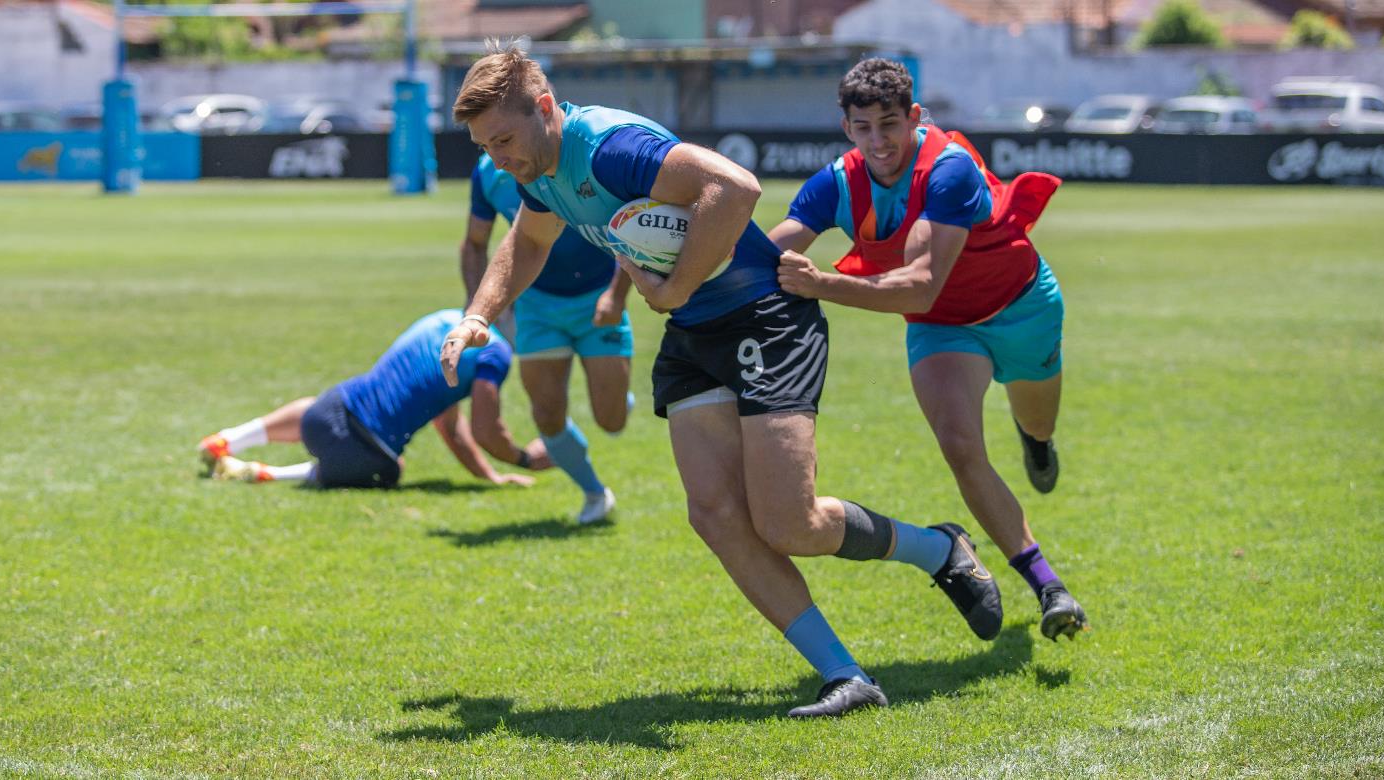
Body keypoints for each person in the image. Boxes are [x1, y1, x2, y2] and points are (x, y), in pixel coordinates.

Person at [438, 41, 1004, 718]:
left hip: (765, 320)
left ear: (545, 108)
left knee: (789, 522)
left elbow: (735, 187)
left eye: (502, 139)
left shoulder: (611, 147)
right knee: (713, 513)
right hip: (696, 335)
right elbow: (528, 242)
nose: (497, 159)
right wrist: (478, 315)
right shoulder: (537, 169)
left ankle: (938, 548)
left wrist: (675, 285)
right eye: (485, 146)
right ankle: (845, 676)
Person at [767, 58, 1089, 641]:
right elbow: (770, 252)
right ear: (847, 128)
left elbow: (922, 281)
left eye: (889, 124)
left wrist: (823, 284)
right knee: (961, 447)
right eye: (863, 128)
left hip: (1021, 308)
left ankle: (1035, 439)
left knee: (1037, 423)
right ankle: (1049, 586)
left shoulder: (949, 169)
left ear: (913, 117)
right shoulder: (838, 181)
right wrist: (685, 268)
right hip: (943, 329)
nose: (878, 140)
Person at [463, 151, 634, 524]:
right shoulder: (487, 173)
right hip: (536, 305)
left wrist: (617, 295)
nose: (498, 148)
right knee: (547, 414)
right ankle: (594, 493)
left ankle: (620, 396)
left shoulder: (582, 157)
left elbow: (634, 225)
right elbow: (475, 241)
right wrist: (480, 308)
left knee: (612, 420)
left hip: (598, 297)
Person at [198, 308, 548, 490]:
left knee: (315, 406)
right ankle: (264, 473)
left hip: (327, 411)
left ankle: (228, 439)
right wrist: (524, 460)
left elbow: (450, 425)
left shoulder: (444, 318)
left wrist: (489, 476)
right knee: (394, 469)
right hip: (367, 453)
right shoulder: (495, 350)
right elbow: (485, 430)